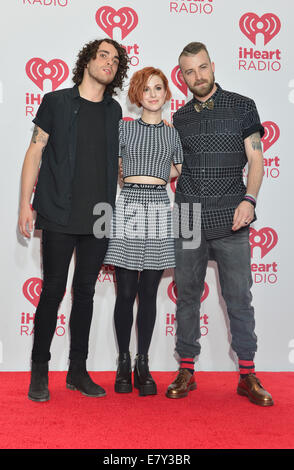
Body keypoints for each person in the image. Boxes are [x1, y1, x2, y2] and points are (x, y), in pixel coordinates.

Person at [18, 38, 129, 402]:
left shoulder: (114, 112)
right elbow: (34, 153)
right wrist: (24, 204)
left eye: (115, 60)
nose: (109, 63)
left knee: (85, 294)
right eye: (103, 56)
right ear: (87, 60)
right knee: (52, 291)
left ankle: (77, 371)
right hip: (58, 212)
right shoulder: (56, 102)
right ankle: (39, 370)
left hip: (99, 216)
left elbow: (115, 165)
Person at [165, 42, 273, 406]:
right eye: (188, 72)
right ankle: (186, 369)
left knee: (239, 299)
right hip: (189, 218)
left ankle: (247, 374)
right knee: (187, 298)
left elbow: (255, 161)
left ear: (212, 66)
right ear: (182, 77)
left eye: (201, 68)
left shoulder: (242, 106)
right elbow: (178, 169)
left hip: (232, 217)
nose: (197, 76)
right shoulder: (179, 118)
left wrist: (250, 199)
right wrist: (140, 171)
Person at [103, 67, 183, 396]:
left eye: (158, 88)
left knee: (148, 294)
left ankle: (143, 362)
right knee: (124, 293)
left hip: (160, 209)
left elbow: (179, 169)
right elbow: (114, 167)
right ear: (137, 94)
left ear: (166, 94)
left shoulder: (173, 134)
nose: (152, 94)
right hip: (128, 206)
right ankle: (123, 361)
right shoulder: (123, 131)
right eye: (146, 88)